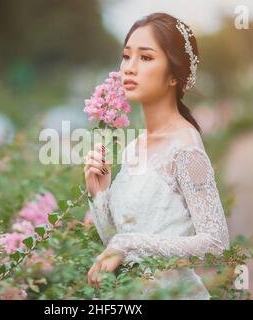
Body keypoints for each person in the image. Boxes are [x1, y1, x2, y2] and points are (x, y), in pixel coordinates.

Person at [84, 12, 230, 299]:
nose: (130, 68)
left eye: (146, 57)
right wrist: (99, 193)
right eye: (127, 56)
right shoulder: (133, 148)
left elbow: (215, 243)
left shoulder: (186, 149)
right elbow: (115, 242)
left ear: (175, 74)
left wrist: (128, 243)